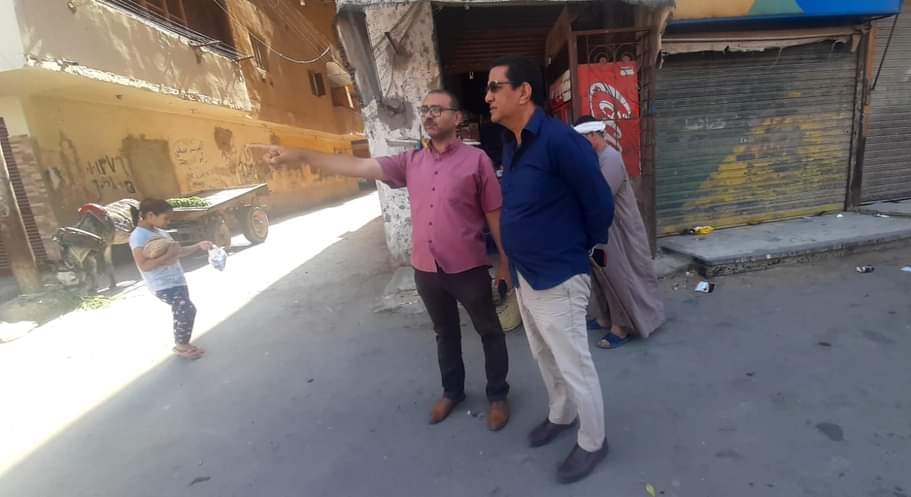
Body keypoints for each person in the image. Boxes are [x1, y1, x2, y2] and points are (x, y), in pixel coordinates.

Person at [262, 89, 513, 432]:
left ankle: (497, 395)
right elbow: (358, 165)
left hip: (467, 267)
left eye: (437, 109)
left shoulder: (476, 160)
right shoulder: (410, 162)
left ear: (457, 118)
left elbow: (494, 213)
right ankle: (452, 391)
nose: (428, 115)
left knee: (489, 331)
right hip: (426, 268)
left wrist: (504, 263)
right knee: (445, 333)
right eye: (424, 109)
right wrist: (301, 155)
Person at [485, 55, 615, 483]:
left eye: (495, 87)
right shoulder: (513, 145)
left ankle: (593, 441)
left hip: (559, 273)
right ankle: (561, 414)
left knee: (574, 361)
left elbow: (599, 203)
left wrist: (578, 250)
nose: (487, 97)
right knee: (543, 354)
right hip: (526, 275)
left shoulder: (561, 141)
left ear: (523, 92)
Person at [573, 115, 665, 349]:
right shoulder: (595, 157)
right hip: (601, 228)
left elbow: (599, 197)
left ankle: (621, 327)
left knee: (618, 275)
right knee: (601, 273)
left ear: (592, 135)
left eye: (581, 139)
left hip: (618, 230)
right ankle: (605, 317)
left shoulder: (611, 158)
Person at [129, 198, 214, 360]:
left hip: (177, 280)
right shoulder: (138, 236)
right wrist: (168, 255)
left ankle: (183, 343)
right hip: (162, 284)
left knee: (181, 310)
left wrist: (198, 246)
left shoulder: (161, 232)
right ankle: (181, 346)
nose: (168, 222)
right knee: (186, 309)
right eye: (166, 218)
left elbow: (178, 252)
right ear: (150, 215)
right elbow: (144, 266)